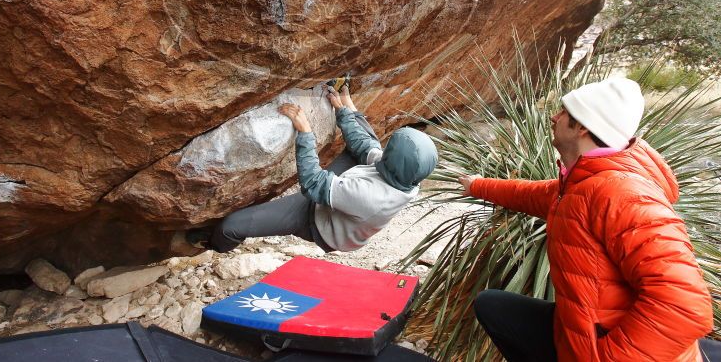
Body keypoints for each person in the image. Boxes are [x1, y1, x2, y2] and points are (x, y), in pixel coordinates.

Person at [459, 77, 713, 362]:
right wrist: (477, 185)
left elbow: (684, 306)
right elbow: (534, 194)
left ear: (582, 127)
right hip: (582, 332)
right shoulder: (584, 183)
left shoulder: (623, 194)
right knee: (492, 306)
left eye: (563, 112)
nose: (554, 117)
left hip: (610, 350)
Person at [191, 83, 438, 254]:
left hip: (317, 220)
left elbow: (312, 183)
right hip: (349, 198)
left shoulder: (370, 197)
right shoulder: (406, 176)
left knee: (231, 226)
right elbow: (366, 147)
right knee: (367, 143)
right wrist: (343, 113)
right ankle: (348, 106)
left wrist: (305, 131)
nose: (385, 153)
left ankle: (209, 245)